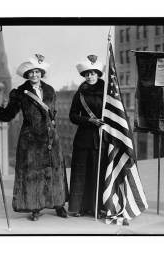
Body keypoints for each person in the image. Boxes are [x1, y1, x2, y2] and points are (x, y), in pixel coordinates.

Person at [0, 54, 69, 221]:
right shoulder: (20, 92)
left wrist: (52, 129)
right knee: (32, 174)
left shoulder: (50, 90)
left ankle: (59, 204)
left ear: (41, 73)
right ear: (26, 74)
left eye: (37, 71)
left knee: (55, 171)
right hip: (31, 139)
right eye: (31, 72)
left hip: (51, 138)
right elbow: (8, 114)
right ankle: (35, 207)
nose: (34, 75)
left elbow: (52, 113)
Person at [68, 55, 107, 219]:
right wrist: (89, 120)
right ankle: (80, 207)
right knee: (81, 173)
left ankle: (98, 207)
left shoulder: (107, 92)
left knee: (97, 173)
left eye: (92, 73)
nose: (89, 77)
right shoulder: (80, 94)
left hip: (101, 138)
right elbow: (72, 116)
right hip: (83, 138)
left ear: (98, 74)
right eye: (87, 74)